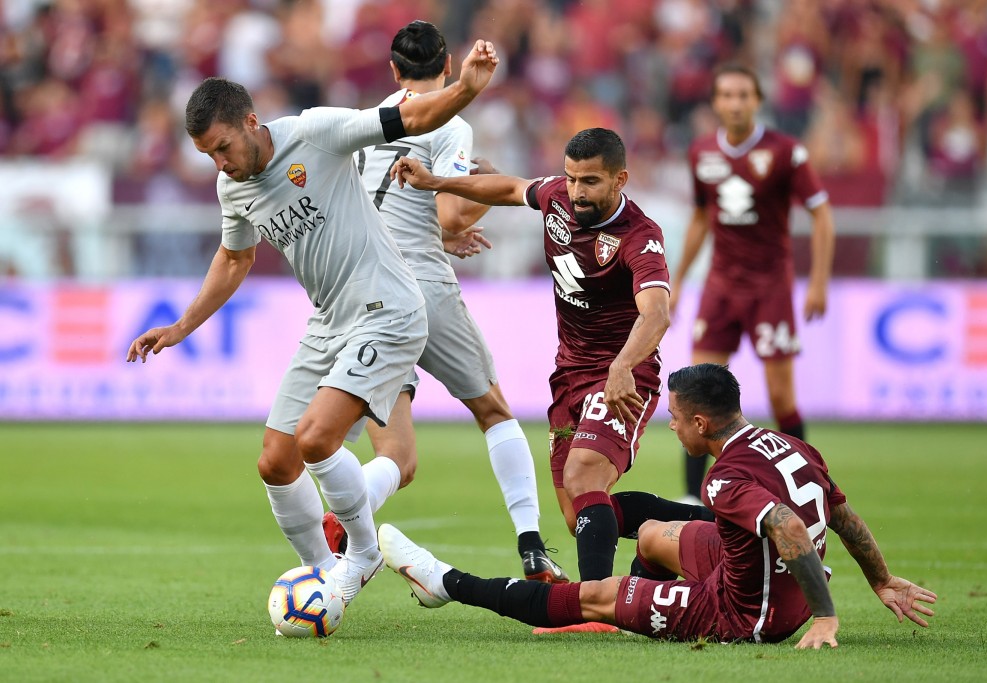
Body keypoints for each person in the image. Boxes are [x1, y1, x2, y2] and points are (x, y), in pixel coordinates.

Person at [125, 39, 500, 609]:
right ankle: (321, 575)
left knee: (317, 438)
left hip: (387, 308)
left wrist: (465, 89)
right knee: (276, 462)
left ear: (251, 121)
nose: (220, 164)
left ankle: (363, 556)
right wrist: (181, 326)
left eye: (223, 147)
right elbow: (235, 258)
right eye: (209, 156)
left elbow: (408, 116)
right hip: (329, 321)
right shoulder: (234, 187)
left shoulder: (315, 132)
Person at [378, 363, 937, 648]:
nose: (668, 425)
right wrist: (881, 579)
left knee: (591, 596)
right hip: (746, 564)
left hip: (746, 612)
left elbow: (788, 525)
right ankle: (638, 606)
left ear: (701, 422)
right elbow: (842, 516)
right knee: (649, 532)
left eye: (673, 418)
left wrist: (825, 614)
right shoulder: (790, 445)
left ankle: (442, 582)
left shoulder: (726, 478)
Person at [391, 128, 712, 591]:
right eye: (571, 178)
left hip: (625, 374)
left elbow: (657, 313)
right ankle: (715, 523)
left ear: (620, 179)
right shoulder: (558, 196)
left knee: (583, 475)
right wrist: (435, 181)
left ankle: (596, 602)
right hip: (569, 373)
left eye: (590, 182)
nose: (577, 192)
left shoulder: (639, 236)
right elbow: (506, 187)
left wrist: (621, 368)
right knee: (578, 511)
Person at [321, 19, 566, 584]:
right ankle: (532, 548)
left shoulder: (369, 121)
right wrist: (477, 189)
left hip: (363, 293)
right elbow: (452, 211)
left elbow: (375, 209)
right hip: (420, 289)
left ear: (393, 70)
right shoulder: (450, 126)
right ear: (449, 68)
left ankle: (345, 514)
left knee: (398, 461)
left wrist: (437, 227)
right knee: (495, 413)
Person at [670, 64, 836, 505]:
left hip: (770, 287)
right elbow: (701, 218)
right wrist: (679, 281)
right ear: (716, 103)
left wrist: (818, 281)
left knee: (782, 397)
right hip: (721, 286)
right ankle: (690, 499)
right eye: (727, 94)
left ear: (758, 101)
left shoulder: (785, 152)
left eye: (744, 94)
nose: (736, 103)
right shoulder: (701, 152)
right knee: (696, 391)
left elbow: (822, 214)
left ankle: (810, 489)